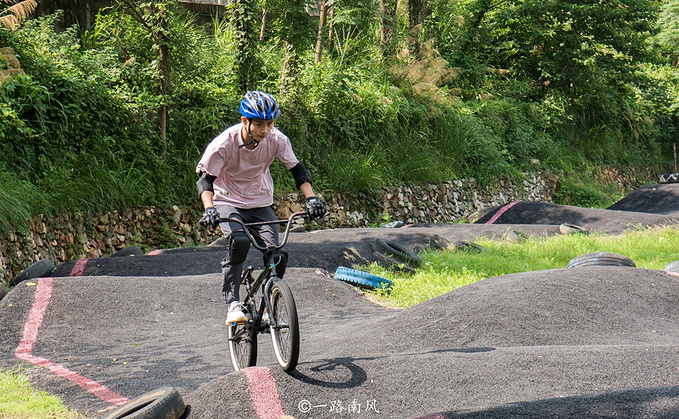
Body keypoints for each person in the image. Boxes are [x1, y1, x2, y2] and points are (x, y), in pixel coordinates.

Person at [195, 90, 326, 325]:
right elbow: (206, 180)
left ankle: (268, 305)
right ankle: (233, 302)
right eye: (259, 124)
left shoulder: (277, 140)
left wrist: (312, 199)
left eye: (270, 123)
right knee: (240, 242)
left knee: (277, 254)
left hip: (260, 201)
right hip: (227, 200)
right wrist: (209, 208)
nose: (265, 130)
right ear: (245, 121)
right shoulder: (224, 143)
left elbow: (298, 170)